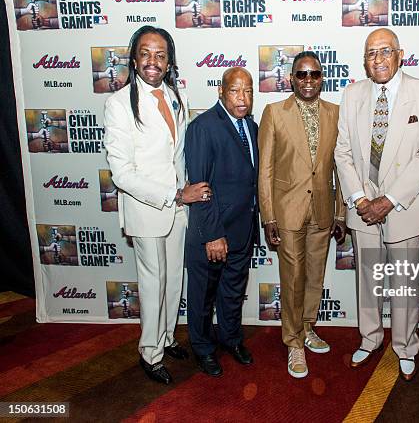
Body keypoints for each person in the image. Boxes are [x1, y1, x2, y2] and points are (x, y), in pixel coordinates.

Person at [104, 26, 211, 385]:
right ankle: (150, 354)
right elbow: (122, 173)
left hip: (178, 211)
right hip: (147, 208)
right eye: (146, 53)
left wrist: (185, 197)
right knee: (153, 284)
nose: (153, 61)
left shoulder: (175, 97)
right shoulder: (119, 103)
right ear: (134, 58)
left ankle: (166, 338)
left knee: (172, 280)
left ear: (169, 62)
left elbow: (177, 157)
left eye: (161, 55)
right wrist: (175, 195)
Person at [334, 28, 419, 381]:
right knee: (367, 279)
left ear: (400, 54)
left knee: (404, 284)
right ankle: (369, 338)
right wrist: (360, 198)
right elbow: (343, 151)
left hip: (405, 208)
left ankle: (406, 346)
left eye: (385, 51)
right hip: (362, 207)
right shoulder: (352, 94)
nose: (378, 59)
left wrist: (389, 200)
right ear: (364, 60)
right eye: (371, 53)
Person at [258, 51, 347, 378]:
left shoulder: (335, 113)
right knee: (293, 278)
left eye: (314, 75)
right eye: (301, 74)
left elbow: (341, 168)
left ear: (322, 78)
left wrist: (340, 212)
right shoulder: (274, 113)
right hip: (287, 210)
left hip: (322, 209)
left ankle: (308, 327)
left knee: (314, 275)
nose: (308, 80)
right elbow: (265, 170)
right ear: (291, 78)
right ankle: (293, 342)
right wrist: (268, 216)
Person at [185, 67, 259, 377]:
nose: (243, 98)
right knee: (203, 296)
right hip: (213, 234)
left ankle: (231, 338)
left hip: (242, 231)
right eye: (235, 91)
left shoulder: (252, 128)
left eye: (248, 91)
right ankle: (202, 348)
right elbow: (200, 187)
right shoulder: (203, 127)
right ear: (221, 91)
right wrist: (213, 234)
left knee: (232, 292)